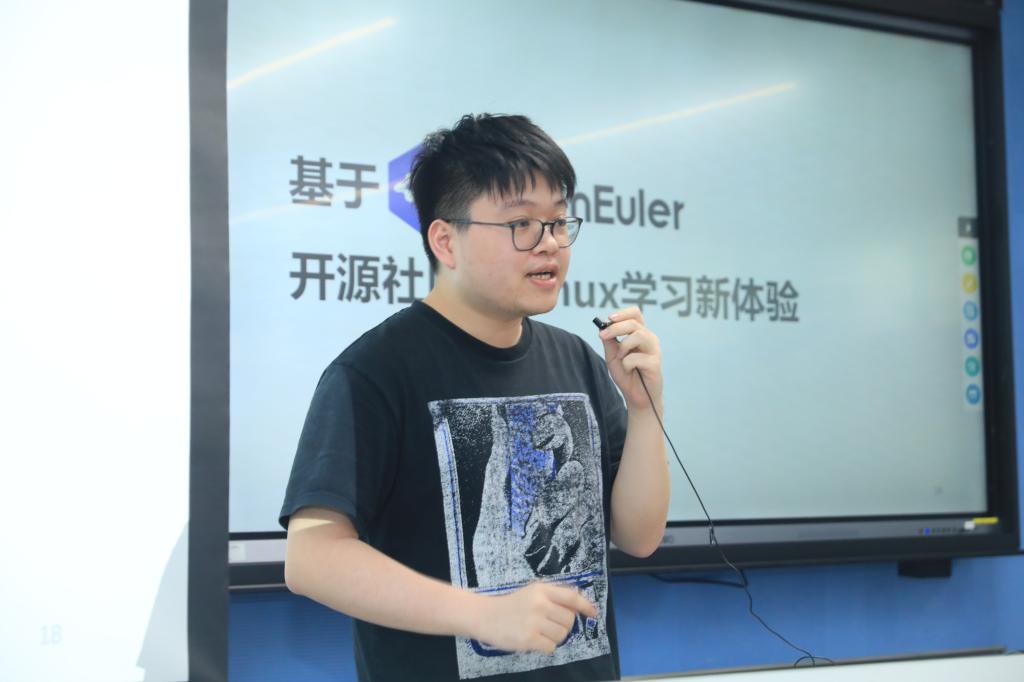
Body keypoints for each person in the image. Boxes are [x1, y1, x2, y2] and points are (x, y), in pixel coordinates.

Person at [280, 113, 670, 681]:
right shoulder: (375, 371)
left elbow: (639, 536)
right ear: (446, 240)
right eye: (521, 224)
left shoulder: (577, 359)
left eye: (558, 222)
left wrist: (644, 409)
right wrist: (484, 614)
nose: (550, 244)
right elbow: (311, 559)